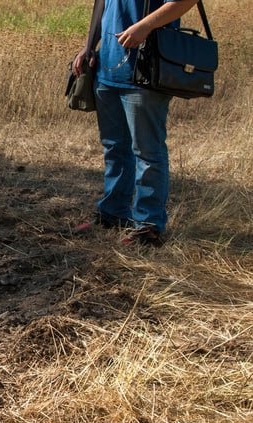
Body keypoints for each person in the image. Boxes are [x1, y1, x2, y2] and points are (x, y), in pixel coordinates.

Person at [73, 0, 200, 246]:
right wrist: (89, 46)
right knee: (114, 148)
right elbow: (103, 5)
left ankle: (148, 227)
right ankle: (113, 213)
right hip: (106, 71)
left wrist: (144, 27)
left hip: (145, 72)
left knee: (148, 153)